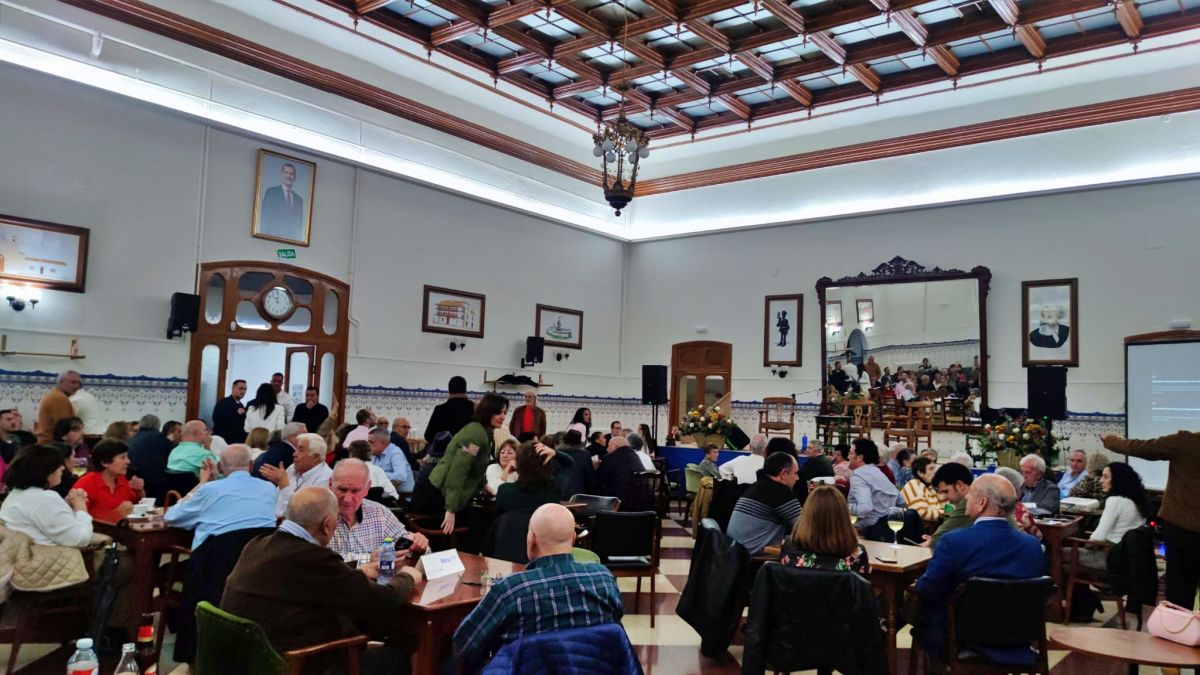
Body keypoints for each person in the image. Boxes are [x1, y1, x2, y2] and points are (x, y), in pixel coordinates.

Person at [221, 487, 420, 675]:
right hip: (295, 664)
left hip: (249, 660)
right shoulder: (314, 558)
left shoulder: (257, 544)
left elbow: (311, 576)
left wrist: (358, 569)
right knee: (395, 657)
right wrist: (408, 576)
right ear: (327, 525)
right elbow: (384, 599)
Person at [453, 503, 623, 670]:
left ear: (531, 539)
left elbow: (465, 643)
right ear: (573, 538)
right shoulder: (603, 578)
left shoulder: (512, 590)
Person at [915, 475, 1044, 664]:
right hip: (1019, 636)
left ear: (982, 502)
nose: (966, 497)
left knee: (923, 609)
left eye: (971, 493)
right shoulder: (1032, 547)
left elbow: (927, 589)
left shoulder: (954, 542)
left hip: (962, 637)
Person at [1102, 432, 1198, 610]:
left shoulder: (1186, 441)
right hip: (1181, 527)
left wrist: (1110, 440)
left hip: (1181, 526)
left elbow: (1141, 447)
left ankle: (1178, 632)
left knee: (1179, 588)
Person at [163, 443, 278, 550]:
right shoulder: (269, 488)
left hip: (214, 563)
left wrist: (201, 483)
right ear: (252, 465)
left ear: (219, 466)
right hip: (255, 562)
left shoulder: (209, 490)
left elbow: (171, 517)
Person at [422, 393, 508, 535]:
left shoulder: (485, 432)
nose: (503, 416)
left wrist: (484, 485)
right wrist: (450, 509)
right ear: (488, 412)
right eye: (498, 412)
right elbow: (459, 470)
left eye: (505, 412)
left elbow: (477, 466)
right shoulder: (474, 435)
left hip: (454, 493)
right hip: (442, 494)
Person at [326, 459, 427, 558]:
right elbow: (319, 560)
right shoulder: (318, 515)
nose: (347, 499)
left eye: (355, 491)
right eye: (342, 489)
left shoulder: (379, 512)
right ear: (330, 485)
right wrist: (369, 559)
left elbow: (404, 543)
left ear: (367, 488)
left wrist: (417, 545)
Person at [0, 444, 93, 547]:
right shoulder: (44, 498)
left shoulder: (15, 494)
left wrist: (65, 505)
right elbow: (80, 539)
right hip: (50, 560)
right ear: (44, 470)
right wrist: (81, 509)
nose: (62, 468)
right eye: (57, 465)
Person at [1071, 461, 1148, 570]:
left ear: (1117, 480)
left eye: (1105, 477)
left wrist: (1088, 543)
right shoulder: (1136, 500)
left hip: (1112, 558)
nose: (1101, 480)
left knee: (1058, 553)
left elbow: (1098, 537)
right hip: (1131, 558)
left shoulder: (1114, 500)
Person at [780, 485, 869, 574]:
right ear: (844, 517)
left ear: (806, 515)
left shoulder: (789, 546)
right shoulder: (857, 553)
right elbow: (862, 586)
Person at [726, 452, 802, 555]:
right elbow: (804, 529)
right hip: (753, 557)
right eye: (795, 473)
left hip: (734, 552)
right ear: (784, 474)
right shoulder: (781, 493)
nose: (797, 478)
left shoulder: (757, 486)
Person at [261, 432, 335, 518]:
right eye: (296, 449)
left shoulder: (326, 478)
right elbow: (276, 501)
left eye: (301, 450)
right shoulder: (292, 468)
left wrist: (284, 486)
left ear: (316, 457)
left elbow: (303, 514)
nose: (294, 454)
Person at [72, 439, 146, 522]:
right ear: (105, 462)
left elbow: (137, 506)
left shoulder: (121, 479)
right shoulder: (86, 483)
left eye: (127, 457)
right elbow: (78, 518)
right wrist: (116, 513)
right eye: (122, 457)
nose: (128, 461)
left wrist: (140, 492)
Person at [495, 441, 571, 515]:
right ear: (547, 464)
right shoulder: (554, 490)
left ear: (518, 465)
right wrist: (555, 453)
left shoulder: (505, 491)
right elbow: (569, 463)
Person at [846, 439, 900, 540]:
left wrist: (842, 510)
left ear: (860, 457)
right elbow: (901, 501)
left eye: (850, 453)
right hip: (890, 530)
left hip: (869, 532)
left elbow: (865, 508)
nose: (848, 456)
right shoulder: (880, 474)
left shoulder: (859, 477)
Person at [128, 414, 175, 504]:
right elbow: (174, 453)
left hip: (135, 480)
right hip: (157, 483)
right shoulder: (161, 438)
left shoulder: (133, 439)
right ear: (157, 425)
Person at [927, 462, 975, 550]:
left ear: (960, 485)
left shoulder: (969, 502)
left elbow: (936, 542)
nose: (945, 498)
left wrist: (932, 541)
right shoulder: (980, 496)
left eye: (946, 492)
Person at [257, 162, 307, 239]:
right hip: (271, 239)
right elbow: (264, 217)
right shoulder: (271, 192)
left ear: (295, 177)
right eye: (286, 172)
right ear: (281, 174)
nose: (288, 176)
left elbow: (299, 225)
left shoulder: (299, 200)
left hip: (291, 241)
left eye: (291, 174)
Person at [595, 435, 646, 507]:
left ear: (615, 446)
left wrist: (596, 468)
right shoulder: (634, 456)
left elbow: (599, 480)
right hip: (641, 498)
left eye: (609, 446)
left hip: (619, 499)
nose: (607, 449)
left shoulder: (609, 458)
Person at [994, 467, 1042, 540]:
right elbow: (1037, 536)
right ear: (1015, 489)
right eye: (1020, 488)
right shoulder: (1020, 509)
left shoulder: (984, 505)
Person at [424, 376, 475, 443]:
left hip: (443, 452)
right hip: (467, 452)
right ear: (465, 390)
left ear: (449, 390)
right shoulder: (474, 409)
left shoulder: (440, 410)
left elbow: (428, 436)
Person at [36, 369, 79, 443]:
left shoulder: (55, 395)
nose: (76, 386)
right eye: (73, 382)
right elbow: (64, 429)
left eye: (78, 383)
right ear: (60, 382)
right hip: (52, 448)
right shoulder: (59, 398)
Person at [366, 427, 415, 494]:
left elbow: (400, 477)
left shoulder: (395, 453)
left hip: (402, 497)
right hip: (386, 492)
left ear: (383, 443)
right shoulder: (374, 454)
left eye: (371, 442)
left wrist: (378, 475)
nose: (368, 445)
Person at [556, 429, 596, 499]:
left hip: (559, 492)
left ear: (565, 441)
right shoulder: (585, 455)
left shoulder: (558, 453)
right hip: (577, 494)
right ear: (579, 442)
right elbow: (590, 478)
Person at [901, 457, 943, 522]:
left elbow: (946, 506)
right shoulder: (913, 484)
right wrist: (946, 514)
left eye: (935, 468)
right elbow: (923, 513)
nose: (935, 472)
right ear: (920, 473)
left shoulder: (930, 487)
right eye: (931, 469)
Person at [211, 379, 248, 444]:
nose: (243, 391)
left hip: (236, 441)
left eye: (245, 389)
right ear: (233, 388)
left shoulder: (241, 405)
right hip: (223, 441)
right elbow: (216, 418)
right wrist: (235, 413)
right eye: (240, 388)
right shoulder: (224, 402)